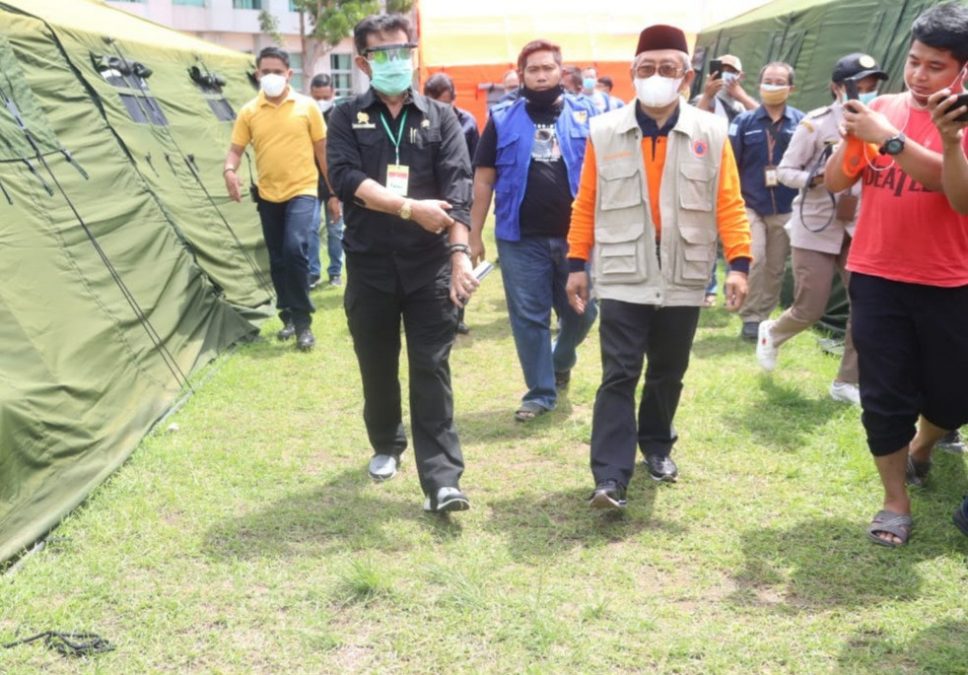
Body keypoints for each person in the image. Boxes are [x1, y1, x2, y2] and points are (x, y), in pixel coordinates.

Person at [566, 24, 751, 509]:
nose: (656, 76)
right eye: (646, 68)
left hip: (684, 270)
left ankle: (656, 444)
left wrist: (739, 263)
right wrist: (576, 261)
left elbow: (729, 202)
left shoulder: (711, 131)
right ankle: (610, 477)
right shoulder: (604, 131)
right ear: (632, 74)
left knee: (668, 370)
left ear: (686, 77)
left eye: (667, 68)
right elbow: (587, 201)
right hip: (623, 269)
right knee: (619, 372)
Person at [824, 1, 968, 545]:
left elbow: (959, 197)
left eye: (936, 66)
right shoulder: (880, 107)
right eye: (914, 61)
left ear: (963, 70)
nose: (919, 75)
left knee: (954, 395)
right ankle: (894, 500)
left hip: (950, 278)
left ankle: (923, 447)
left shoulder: (959, 119)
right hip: (876, 272)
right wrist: (853, 139)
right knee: (884, 395)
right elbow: (836, 181)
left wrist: (894, 139)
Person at [326, 13, 477, 513]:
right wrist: (409, 208)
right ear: (364, 62)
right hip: (369, 264)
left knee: (431, 366)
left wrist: (459, 254)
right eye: (383, 53)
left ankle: (442, 481)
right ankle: (387, 443)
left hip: (428, 265)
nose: (396, 61)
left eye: (402, 51)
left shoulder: (441, 117)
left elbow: (458, 187)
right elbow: (346, 179)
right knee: (377, 362)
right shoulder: (345, 117)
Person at [470, 40, 599, 421]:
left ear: (562, 71)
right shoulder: (501, 118)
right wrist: (474, 234)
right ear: (521, 74)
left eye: (548, 68)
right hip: (520, 237)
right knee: (529, 317)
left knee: (583, 311)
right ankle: (540, 393)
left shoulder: (588, 115)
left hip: (578, 237)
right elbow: (483, 180)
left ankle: (562, 358)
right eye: (533, 70)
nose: (541, 75)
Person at [758, 53, 888, 406]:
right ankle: (773, 332)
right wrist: (816, 178)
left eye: (872, 85)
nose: (866, 91)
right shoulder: (814, 124)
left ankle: (847, 381)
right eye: (859, 86)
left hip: (859, 225)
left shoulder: (882, 124)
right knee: (810, 307)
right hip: (815, 223)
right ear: (837, 87)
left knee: (863, 307)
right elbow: (784, 172)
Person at [224, 46, 326, 351]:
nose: (271, 76)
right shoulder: (249, 112)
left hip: (303, 190)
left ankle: (304, 322)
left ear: (289, 74)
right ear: (257, 74)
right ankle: (288, 318)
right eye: (266, 71)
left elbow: (323, 152)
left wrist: (334, 193)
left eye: (277, 71)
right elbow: (235, 150)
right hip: (268, 195)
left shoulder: (307, 107)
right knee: (279, 259)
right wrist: (229, 170)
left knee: (295, 249)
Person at [730, 62, 805, 340]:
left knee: (775, 266)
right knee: (756, 257)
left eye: (779, 82)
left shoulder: (802, 122)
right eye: (768, 81)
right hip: (750, 203)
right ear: (759, 85)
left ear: (791, 88)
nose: (773, 86)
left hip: (785, 205)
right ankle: (750, 316)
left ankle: (763, 316)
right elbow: (730, 164)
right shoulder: (743, 122)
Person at [424, 72, 480, 334]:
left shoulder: (467, 123)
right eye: (434, 101)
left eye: (445, 102)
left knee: (460, 255)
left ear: (454, 99)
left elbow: (477, 165)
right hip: (428, 200)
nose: (439, 108)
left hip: (459, 198)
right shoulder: (419, 121)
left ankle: (458, 315)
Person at [309, 73, 344, 288]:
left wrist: (335, 192)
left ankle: (335, 272)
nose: (321, 101)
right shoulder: (305, 114)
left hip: (335, 181)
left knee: (335, 229)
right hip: (310, 180)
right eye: (317, 97)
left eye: (325, 97)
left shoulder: (340, 117)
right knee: (310, 227)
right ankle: (313, 273)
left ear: (333, 93)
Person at [693, 54, 758, 122]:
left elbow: (763, 117)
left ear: (741, 77)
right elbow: (692, 122)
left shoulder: (741, 108)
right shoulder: (702, 100)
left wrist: (742, 97)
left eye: (732, 71)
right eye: (722, 71)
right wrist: (707, 95)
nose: (726, 74)